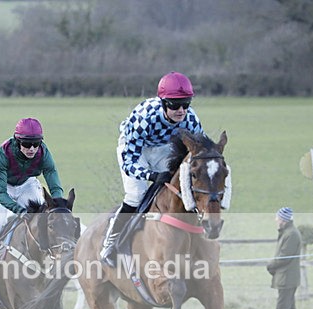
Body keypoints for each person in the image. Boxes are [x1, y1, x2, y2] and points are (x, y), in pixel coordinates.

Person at [99, 71, 233, 265]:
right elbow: (129, 163)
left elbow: (201, 153)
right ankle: (109, 244)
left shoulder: (190, 119)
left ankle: (194, 229)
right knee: (135, 195)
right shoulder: (143, 118)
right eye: (175, 105)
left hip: (162, 148)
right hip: (136, 149)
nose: (181, 110)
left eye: (186, 104)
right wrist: (152, 175)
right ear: (163, 103)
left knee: (180, 182)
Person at [0, 117, 65, 289]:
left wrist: (58, 204)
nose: (32, 148)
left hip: (26, 183)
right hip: (0, 186)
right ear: (18, 141)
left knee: (42, 217)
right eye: (27, 144)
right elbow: (2, 194)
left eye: (36, 143)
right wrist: (19, 210)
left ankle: (49, 257)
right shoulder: (3, 154)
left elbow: (52, 177)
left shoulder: (44, 152)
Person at [266, 207, 303, 309]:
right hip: (286, 276)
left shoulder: (291, 234)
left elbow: (284, 258)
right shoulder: (288, 233)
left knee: (282, 307)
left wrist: (270, 266)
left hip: (287, 277)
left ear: (283, 219)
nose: (276, 220)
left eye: (278, 217)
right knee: (290, 307)